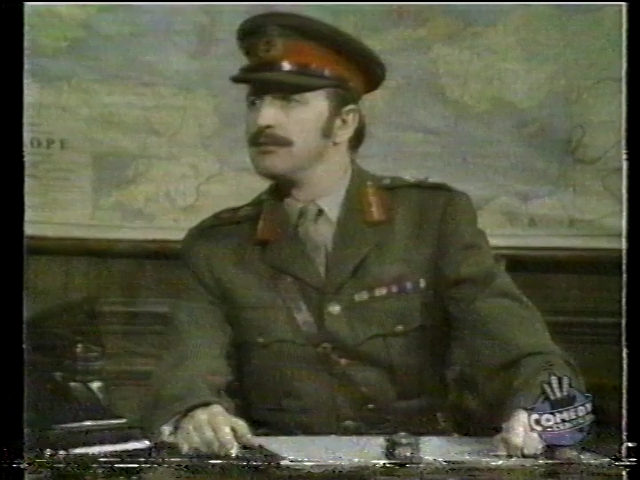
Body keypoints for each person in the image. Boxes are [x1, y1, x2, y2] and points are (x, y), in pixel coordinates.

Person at [141, 11, 586, 459]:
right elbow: (188, 369)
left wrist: (540, 409)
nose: (263, 120)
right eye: (255, 102)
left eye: (289, 102)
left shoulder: (432, 220)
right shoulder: (218, 247)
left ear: (344, 123)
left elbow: (524, 353)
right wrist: (195, 410)